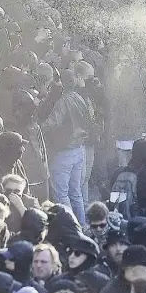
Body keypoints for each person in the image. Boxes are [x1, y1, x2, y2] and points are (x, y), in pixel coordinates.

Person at [42, 69, 91, 226]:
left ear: (62, 83)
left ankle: (72, 228)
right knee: (75, 192)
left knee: (61, 194)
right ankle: (82, 225)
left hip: (65, 152)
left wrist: (37, 127)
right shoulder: (79, 98)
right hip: (79, 149)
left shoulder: (62, 102)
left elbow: (51, 124)